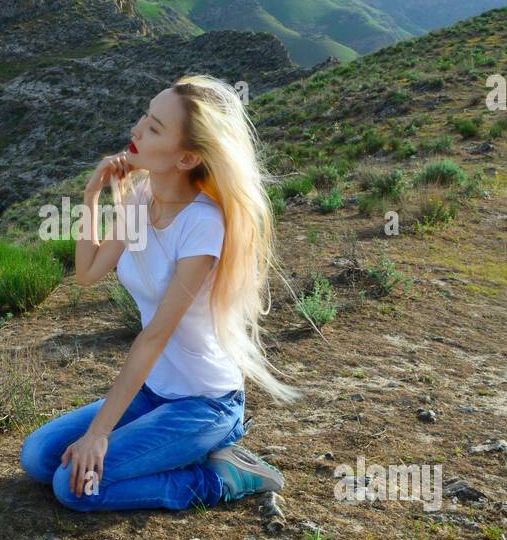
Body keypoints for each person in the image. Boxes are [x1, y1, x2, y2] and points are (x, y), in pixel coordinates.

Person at [18, 74, 301, 511]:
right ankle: (172, 452)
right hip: (153, 393)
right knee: (38, 457)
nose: (136, 130)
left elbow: (155, 336)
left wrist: (98, 435)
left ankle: (221, 475)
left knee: (75, 488)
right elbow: (88, 273)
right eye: (144, 118)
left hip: (203, 404)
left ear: (186, 157)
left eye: (153, 128)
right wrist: (93, 195)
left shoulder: (202, 225)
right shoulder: (140, 199)